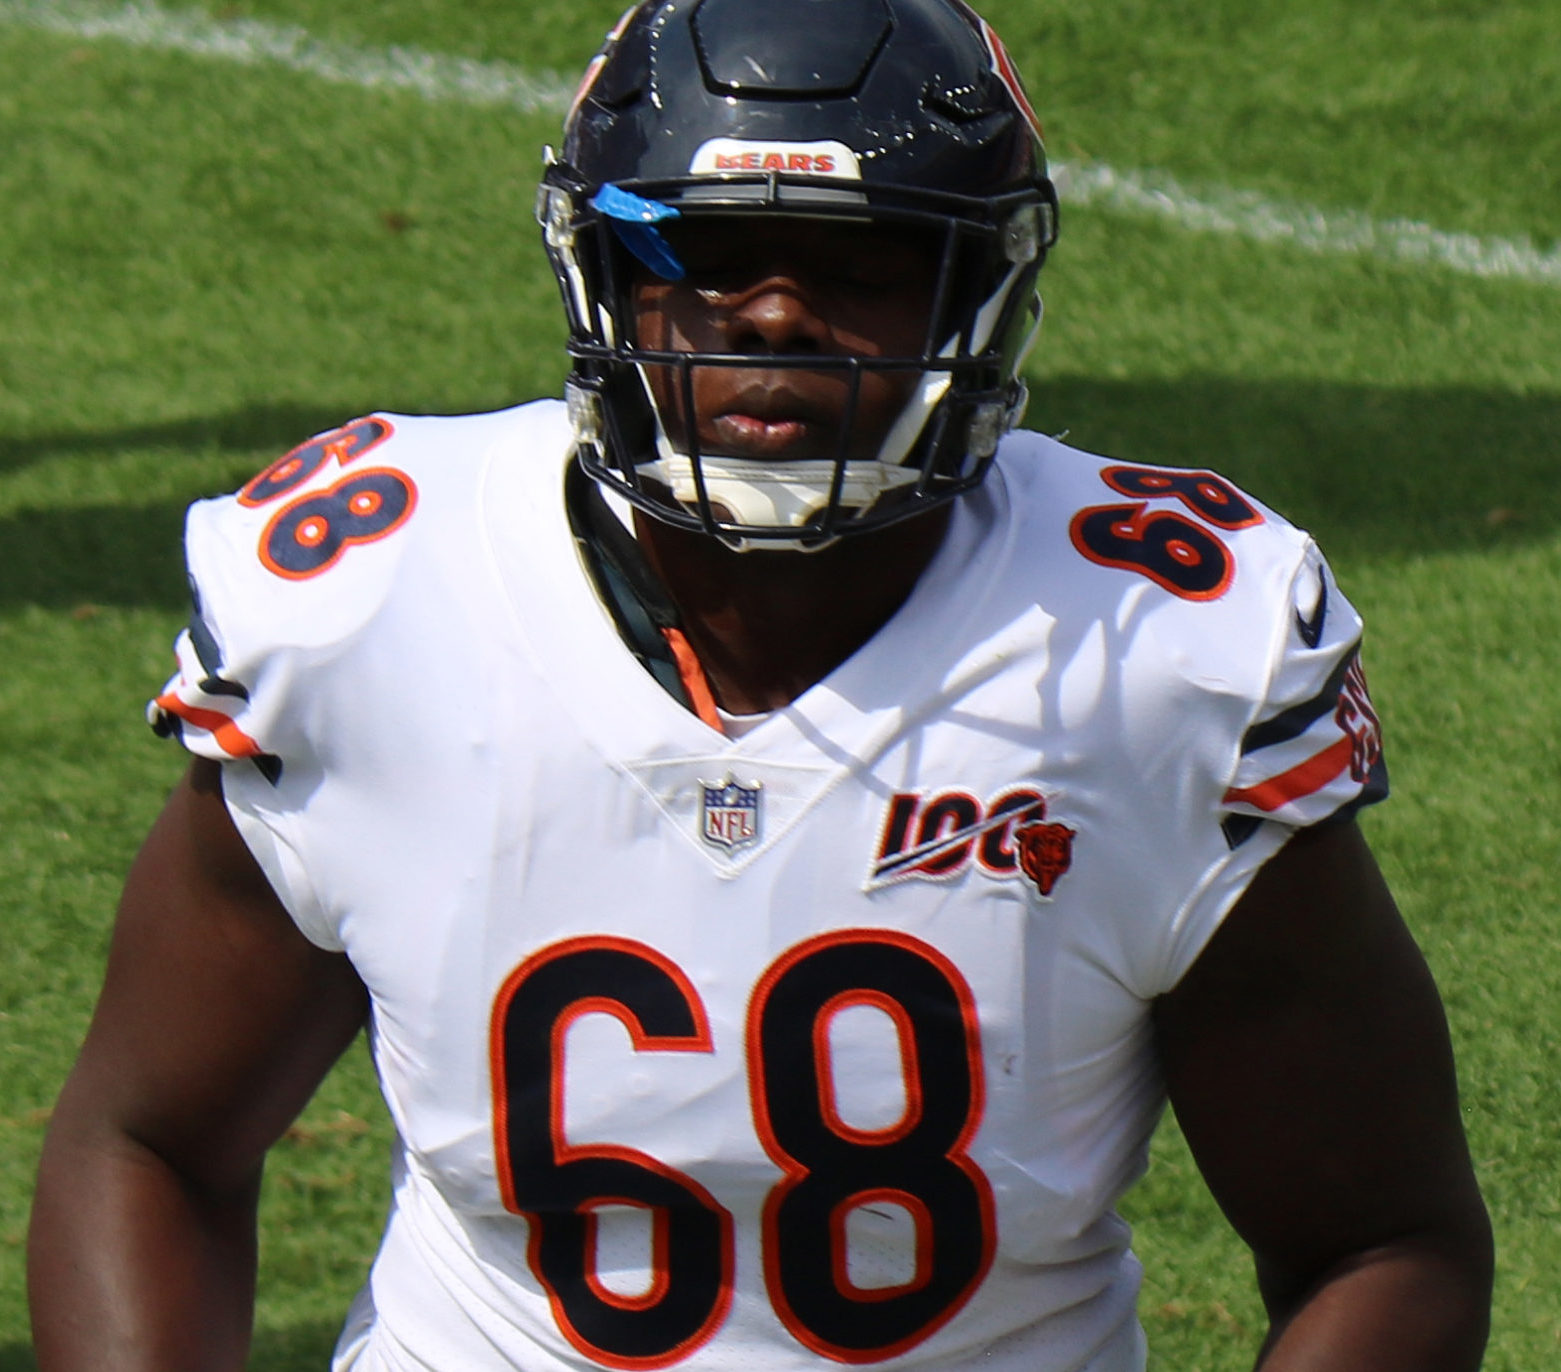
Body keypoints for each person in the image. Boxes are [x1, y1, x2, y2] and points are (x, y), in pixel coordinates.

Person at [29, 0, 1492, 1368]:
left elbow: (1378, 1238)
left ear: (978, 292)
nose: (777, 317)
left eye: (860, 263)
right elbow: (150, 1141)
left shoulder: (1154, 651)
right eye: (702, 252)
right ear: (599, 269)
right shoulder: (371, 602)